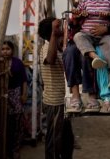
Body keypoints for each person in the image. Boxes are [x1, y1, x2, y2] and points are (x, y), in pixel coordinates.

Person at [38, 17, 73, 159]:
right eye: (57, 27)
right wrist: (54, 33)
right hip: (54, 102)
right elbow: (50, 60)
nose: (61, 29)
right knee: (54, 140)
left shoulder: (57, 47)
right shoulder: (47, 47)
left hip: (61, 101)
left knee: (67, 140)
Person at [63, 0, 100, 113]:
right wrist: (78, 18)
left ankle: (91, 93)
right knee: (69, 53)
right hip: (76, 40)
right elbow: (72, 27)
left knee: (86, 57)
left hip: (92, 40)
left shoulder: (98, 7)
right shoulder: (78, 10)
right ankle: (75, 93)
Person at [0, 40, 27, 159]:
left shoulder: (17, 63)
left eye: (7, 49)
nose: (5, 51)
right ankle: (5, 150)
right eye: (3, 49)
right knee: (5, 123)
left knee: (17, 123)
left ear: (12, 50)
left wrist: (24, 94)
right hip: (2, 96)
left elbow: (24, 80)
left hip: (15, 94)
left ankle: (16, 150)